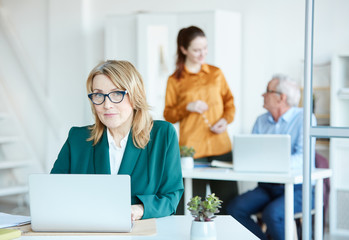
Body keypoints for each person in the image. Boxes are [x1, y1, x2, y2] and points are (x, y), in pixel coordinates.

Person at [51, 60, 184, 221]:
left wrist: (140, 209)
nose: (107, 105)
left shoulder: (162, 135)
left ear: (134, 96)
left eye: (116, 94)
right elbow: (54, 193)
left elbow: (171, 196)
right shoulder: (78, 138)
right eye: (98, 95)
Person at [226, 74, 316, 240]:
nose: (263, 95)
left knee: (272, 214)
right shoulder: (261, 121)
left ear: (281, 97)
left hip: (298, 189)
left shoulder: (305, 119)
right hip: (267, 187)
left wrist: (268, 164)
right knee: (234, 209)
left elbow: (303, 158)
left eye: (267, 91)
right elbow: (252, 155)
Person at [163, 26, 238, 214]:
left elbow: (229, 102)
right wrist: (186, 107)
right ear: (183, 49)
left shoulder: (216, 74)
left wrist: (225, 120)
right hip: (192, 152)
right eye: (197, 49)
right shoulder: (175, 80)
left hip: (221, 147)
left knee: (229, 206)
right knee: (192, 207)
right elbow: (168, 115)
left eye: (205, 48)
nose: (202, 53)